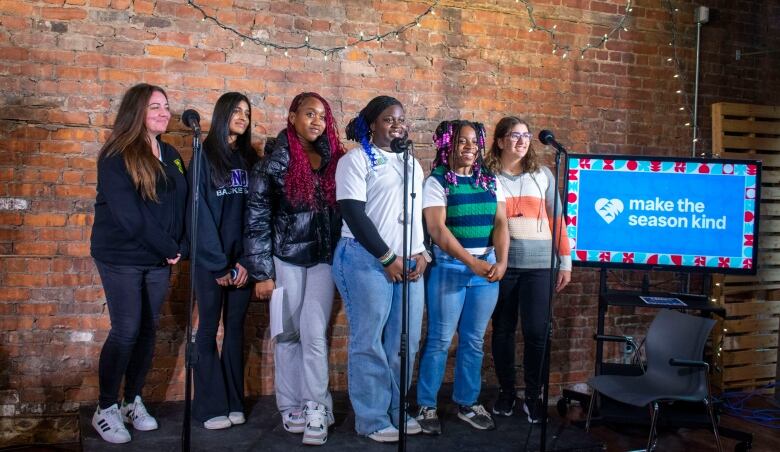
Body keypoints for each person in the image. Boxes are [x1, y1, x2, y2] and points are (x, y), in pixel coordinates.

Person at [244, 92, 344, 446]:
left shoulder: (335, 160)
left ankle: (316, 404)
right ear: (292, 116)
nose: (316, 121)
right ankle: (290, 406)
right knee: (286, 335)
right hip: (284, 260)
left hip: (322, 260)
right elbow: (256, 220)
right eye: (309, 114)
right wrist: (262, 273)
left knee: (314, 335)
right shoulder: (271, 164)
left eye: (322, 116)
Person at [90, 83, 187, 443]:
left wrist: (182, 243)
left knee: (147, 331)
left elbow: (180, 203)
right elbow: (129, 216)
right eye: (155, 107)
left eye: (165, 106)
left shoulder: (171, 153)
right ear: (136, 113)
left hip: (159, 257)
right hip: (122, 256)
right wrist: (168, 247)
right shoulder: (116, 155)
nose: (164, 112)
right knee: (126, 330)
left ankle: (132, 400)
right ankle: (105, 407)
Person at [332, 95, 427, 443]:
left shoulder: (412, 163)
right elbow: (354, 214)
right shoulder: (355, 160)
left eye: (401, 119)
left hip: (408, 260)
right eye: (389, 119)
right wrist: (387, 258)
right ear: (372, 124)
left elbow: (416, 214)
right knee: (369, 341)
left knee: (405, 342)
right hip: (365, 260)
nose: (397, 125)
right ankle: (372, 418)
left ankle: (396, 409)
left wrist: (422, 252)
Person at [415, 120, 508, 435]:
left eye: (473, 142)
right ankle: (426, 405)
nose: (469, 147)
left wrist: (502, 262)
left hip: (488, 268)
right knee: (440, 340)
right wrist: (472, 263)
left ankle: (467, 403)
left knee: (473, 341)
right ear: (447, 145)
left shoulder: (490, 180)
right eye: (461, 142)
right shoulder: (437, 181)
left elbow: (501, 224)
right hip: (450, 268)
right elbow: (438, 231)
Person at [484, 116, 571, 423]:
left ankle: (533, 397)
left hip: (540, 267)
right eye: (514, 135)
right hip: (503, 264)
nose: (521, 141)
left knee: (536, 332)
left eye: (525, 136)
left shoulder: (542, 174)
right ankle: (508, 393)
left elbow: (557, 218)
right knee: (503, 331)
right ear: (499, 141)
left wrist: (566, 261)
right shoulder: (487, 175)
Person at [188, 92, 259, 430]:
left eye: (246, 112)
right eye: (235, 111)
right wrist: (218, 265)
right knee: (206, 333)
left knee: (234, 333)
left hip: (242, 263)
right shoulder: (203, 156)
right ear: (221, 115)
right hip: (211, 262)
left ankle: (233, 400)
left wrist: (245, 260)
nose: (242, 117)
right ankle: (208, 405)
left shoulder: (250, 159)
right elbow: (197, 215)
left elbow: (256, 215)